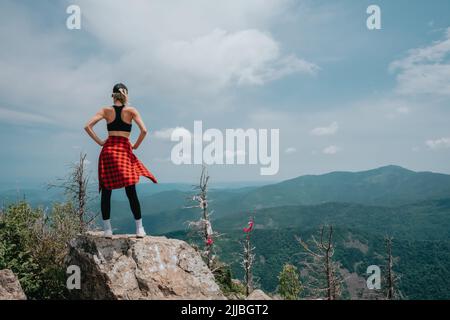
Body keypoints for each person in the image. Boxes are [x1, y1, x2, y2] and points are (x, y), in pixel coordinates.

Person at [84, 83, 157, 238]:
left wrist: (100, 142)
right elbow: (144, 130)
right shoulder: (131, 111)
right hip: (124, 149)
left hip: (109, 151)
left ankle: (107, 230)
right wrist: (135, 145)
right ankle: (139, 229)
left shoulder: (105, 110)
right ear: (126, 95)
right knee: (131, 190)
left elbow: (87, 126)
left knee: (106, 191)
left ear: (113, 95)